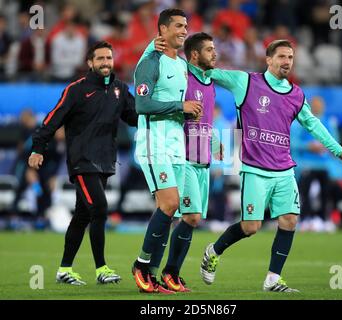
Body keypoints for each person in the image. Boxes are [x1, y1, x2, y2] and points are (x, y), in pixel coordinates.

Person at [199, 39, 342, 292]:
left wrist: (338, 151)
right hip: (255, 169)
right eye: (282, 56)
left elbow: (313, 124)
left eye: (291, 57)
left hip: (284, 170)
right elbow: (208, 72)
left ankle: (273, 278)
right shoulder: (246, 82)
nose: (287, 62)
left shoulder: (296, 94)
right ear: (269, 59)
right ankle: (213, 251)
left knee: (289, 220)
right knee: (251, 227)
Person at [28, 41, 138, 285]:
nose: (106, 63)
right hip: (82, 161)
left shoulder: (120, 88)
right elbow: (52, 119)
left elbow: (134, 117)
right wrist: (38, 148)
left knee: (82, 215)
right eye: (100, 59)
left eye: (109, 58)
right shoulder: (77, 89)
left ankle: (64, 270)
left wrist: (159, 112)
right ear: (90, 63)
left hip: (105, 162)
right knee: (99, 209)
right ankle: (102, 269)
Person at [142, 32, 223, 292]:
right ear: (195, 54)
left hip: (203, 157)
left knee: (190, 218)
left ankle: (167, 272)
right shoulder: (182, 73)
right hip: (182, 154)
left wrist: (214, 141)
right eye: (209, 50)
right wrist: (149, 47)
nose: (215, 54)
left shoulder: (210, 80)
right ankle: (159, 272)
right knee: (183, 215)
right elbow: (160, 69)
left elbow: (205, 117)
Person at [131, 8, 202, 294]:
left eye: (186, 26)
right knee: (170, 203)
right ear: (161, 30)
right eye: (177, 26)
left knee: (182, 211)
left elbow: (175, 104)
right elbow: (142, 105)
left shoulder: (182, 64)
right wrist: (179, 107)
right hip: (153, 143)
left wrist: (188, 113)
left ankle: (153, 273)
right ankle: (141, 265)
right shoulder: (150, 61)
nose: (184, 31)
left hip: (176, 145)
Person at [290, 96, 340, 230]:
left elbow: (335, 143)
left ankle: (324, 219)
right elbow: (293, 143)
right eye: (316, 105)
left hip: (325, 166)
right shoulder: (301, 122)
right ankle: (305, 219)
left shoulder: (329, 122)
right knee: (304, 193)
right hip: (306, 164)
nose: (318, 107)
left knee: (326, 194)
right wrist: (309, 146)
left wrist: (325, 146)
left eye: (320, 105)